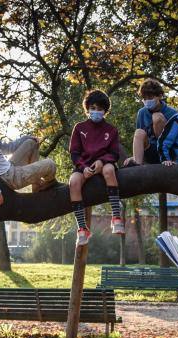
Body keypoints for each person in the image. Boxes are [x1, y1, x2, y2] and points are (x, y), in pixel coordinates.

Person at [0, 103, 57, 207]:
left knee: (32, 143)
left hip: (10, 168)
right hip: (8, 178)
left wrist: (26, 138)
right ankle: (48, 183)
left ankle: (36, 186)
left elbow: (9, 147)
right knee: (50, 165)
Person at [68, 89, 124, 246]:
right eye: (93, 108)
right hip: (84, 166)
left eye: (100, 109)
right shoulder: (79, 128)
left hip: (104, 163)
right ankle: (82, 229)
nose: (96, 111)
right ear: (87, 109)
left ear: (105, 111)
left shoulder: (111, 130)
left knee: (109, 170)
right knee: (73, 183)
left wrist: (101, 162)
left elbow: (114, 153)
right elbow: (74, 152)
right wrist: (82, 166)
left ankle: (116, 216)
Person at [123, 79, 177, 167]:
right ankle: (137, 162)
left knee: (157, 117)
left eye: (150, 97)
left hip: (168, 150)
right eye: (144, 98)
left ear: (159, 96)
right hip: (150, 150)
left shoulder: (173, 114)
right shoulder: (142, 112)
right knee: (139, 132)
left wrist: (177, 159)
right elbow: (140, 138)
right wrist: (135, 156)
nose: (147, 101)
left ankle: (165, 156)